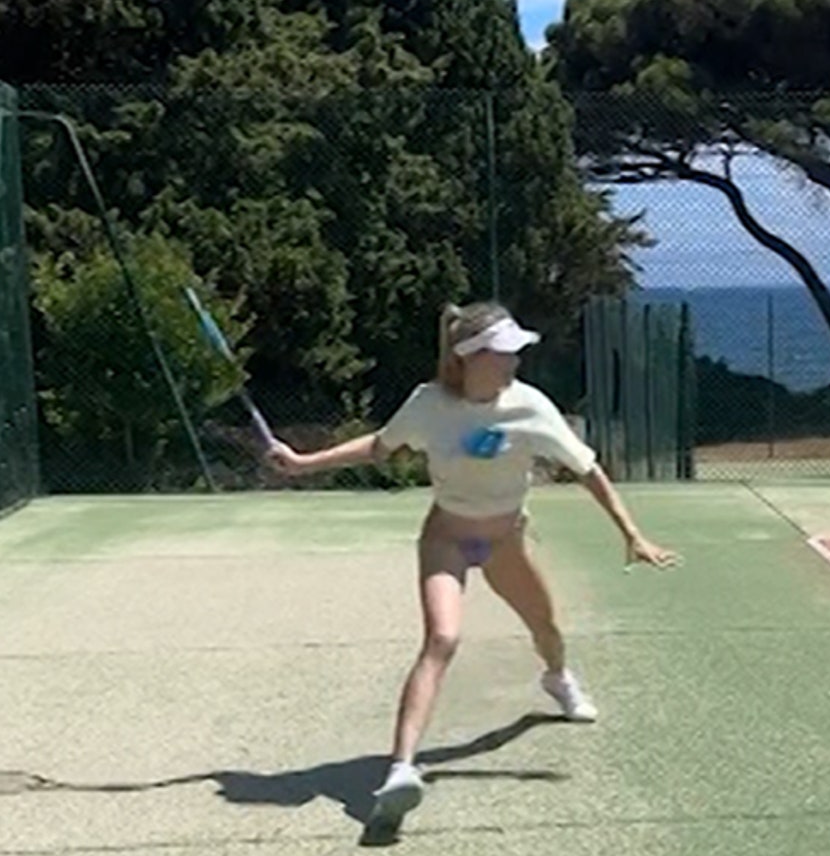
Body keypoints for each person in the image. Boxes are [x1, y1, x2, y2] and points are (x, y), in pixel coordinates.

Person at [264, 301, 677, 833]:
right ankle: (400, 771)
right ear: (469, 358)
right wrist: (302, 463)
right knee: (442, 640)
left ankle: (556, 678)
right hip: (447, 539)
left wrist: (632, 533)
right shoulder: (428, 404)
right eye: (504, 354)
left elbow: (588, 470)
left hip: (507, 540)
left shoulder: (531, 407)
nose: (514, 363)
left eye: (515, 353)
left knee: (547, 629)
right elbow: (380, 446)